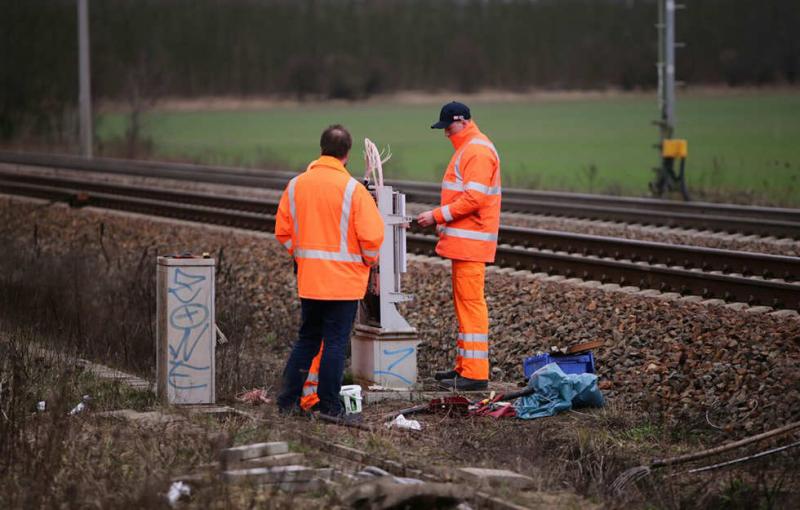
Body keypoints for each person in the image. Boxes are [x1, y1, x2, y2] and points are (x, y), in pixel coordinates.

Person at [275, 124, 384, 419]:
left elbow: (283, 232)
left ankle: (287, 401)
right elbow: (373, 238)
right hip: (344, 283)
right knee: (335, 342)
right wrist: (368, 261)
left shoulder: (297, 185)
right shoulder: (353, 190)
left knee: (307, 339)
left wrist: (304, 257)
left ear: (321, 148)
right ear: (346, 155)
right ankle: (330, 406)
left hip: (310, 280)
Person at [416, 102, 501, 391]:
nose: (446, 134)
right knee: (465, 306)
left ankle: (475, 375)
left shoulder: (476, 151)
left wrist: (436, 216)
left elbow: (473, 199)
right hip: (464, 245)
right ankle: (465, 369)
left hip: (470, 245)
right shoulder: (469, 148)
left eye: (448, 128)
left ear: (462, 122)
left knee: (471, 306)